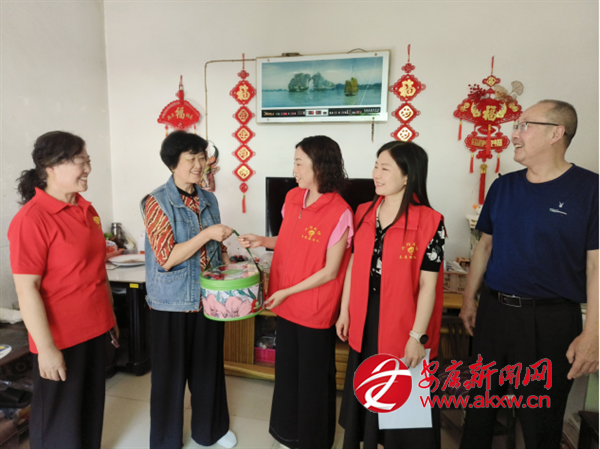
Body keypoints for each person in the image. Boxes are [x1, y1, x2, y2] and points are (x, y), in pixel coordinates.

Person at [459, 100, 599, 449]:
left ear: (556, 133)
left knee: (540, 422)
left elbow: (596, 266)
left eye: (524, 125)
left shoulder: (591, 190)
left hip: (550, 321)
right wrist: (469, 300)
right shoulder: (503, 187)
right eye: (516, 126)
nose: (514, 134)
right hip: (494, 314)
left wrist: (593, 334)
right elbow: (484, 246)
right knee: (479, 411)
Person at [239, 135, 353, 449]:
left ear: (320, 166)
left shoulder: (340, 211)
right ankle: (288, 435)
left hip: (314, 307)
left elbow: (331, 270)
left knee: (314, 378)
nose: (294, 170)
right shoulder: (292, 197)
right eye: (295, 162)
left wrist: (288, 290)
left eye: (300, 163)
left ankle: (315, 440)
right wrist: (262, 240)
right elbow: (290, 240)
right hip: (285, 302)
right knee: (287, 372)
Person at [8, 131, 117, 449]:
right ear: (52, 167)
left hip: (94, 329)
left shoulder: (87, 210)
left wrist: (110, 318)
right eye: (81, 161)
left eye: (88, 161)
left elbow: (97, 272)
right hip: (61, 337)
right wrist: (46, 348)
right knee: (59, 420)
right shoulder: (32, 219)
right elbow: (27, 289)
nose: (88, 169)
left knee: (89, 410)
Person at [336, 141, 445, 449]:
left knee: (402, 406)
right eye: (376, 166)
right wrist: (344, 311)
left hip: (404, 321)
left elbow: (429, 285)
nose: (376, 174)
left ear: (408, 175)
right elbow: (353, 264)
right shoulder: (363, 212)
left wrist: (417, 336)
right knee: (369, 388)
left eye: (385, 168)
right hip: (365, 317)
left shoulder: (430, 221)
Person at [140, 131, 237, 449]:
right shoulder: (156, 201)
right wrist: (207, 233)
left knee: (208, 370)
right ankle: (165, 441)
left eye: (202, 157)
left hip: (207, 299)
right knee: (168, 379)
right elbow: (167, 258)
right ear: (173, 163)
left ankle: (211, 431)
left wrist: (225, 257)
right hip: (171, 302)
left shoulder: (209, 199)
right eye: (191, 158)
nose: (199, 164)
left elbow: (213, 246)